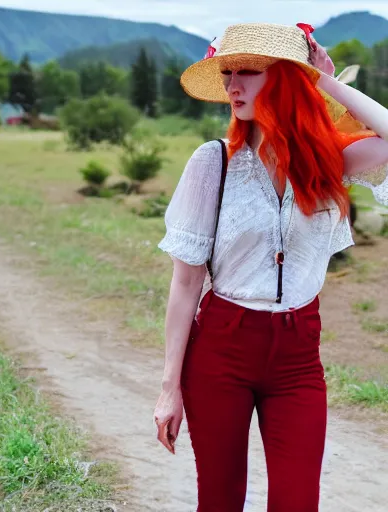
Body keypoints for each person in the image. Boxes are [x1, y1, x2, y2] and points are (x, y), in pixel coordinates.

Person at [153, 22, 388, 512]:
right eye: (227, 72)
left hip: (298, 357)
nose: (231, 85)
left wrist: (323, 80)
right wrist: (168, 390)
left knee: (297, 502)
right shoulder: (213, 162)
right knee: (220, 500)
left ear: (284, 78)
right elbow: (185, 282)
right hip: (221, 349)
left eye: (248, 73)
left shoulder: (328, 159)